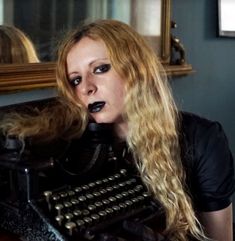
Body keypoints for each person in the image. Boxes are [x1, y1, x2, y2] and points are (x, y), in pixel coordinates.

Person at [0, 19, 234, 241]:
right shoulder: (70, 143)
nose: (87, 88)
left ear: (137, 69)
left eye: (100, 69)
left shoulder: (203, 139)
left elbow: (220, 237)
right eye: (75, 80)